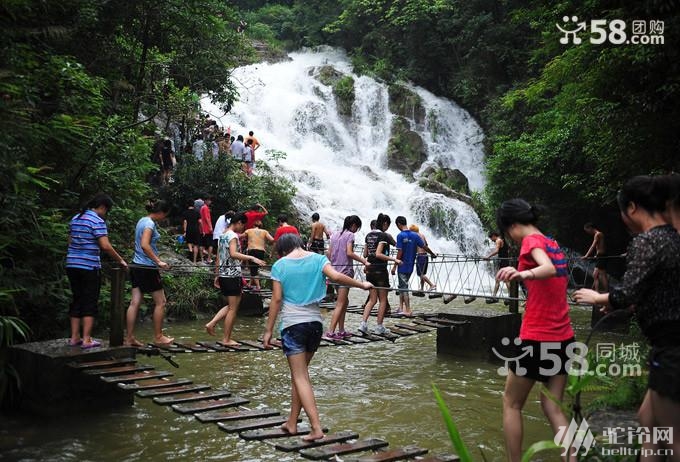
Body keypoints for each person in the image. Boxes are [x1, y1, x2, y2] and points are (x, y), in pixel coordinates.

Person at [574, 176, 680, 459]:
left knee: (673, 437)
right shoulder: (672, 238)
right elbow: (660, 290)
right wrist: (629, 306)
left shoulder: (647, 241)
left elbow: (629, 290)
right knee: (648, 420)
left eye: (622, 211)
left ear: (632, 208)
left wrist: (598, 298)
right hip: (669, 345)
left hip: (670, 349)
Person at [262, 234, 372, 441]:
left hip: (293, 326)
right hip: (315, 326)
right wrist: (361, 285)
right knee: (300, 376)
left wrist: (268, 331)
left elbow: (276, 299)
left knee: (300, 376)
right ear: (300, 244)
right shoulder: (318, 259)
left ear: (283, 249)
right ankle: (292, 422)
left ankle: (316, 428)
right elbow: (337, 278)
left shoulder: (280, 265)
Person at [494, 199, 575, 462]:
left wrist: (522, 274)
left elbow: (547, 269)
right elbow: (552, 271)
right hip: (563, 337)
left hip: (536, 337)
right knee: (553, 407)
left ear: (512, 225)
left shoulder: (531, 242)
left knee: (511, 403)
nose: (512, 240)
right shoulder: (552, 243)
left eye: (508, 234)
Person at [66, 194, 127, 349]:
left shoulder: (76, 218)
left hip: (72, 264)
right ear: (102, 207)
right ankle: (86, 339)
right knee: (89, 300)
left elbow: (70, 241)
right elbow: (105, 246)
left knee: (77, 299)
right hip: (89, 266)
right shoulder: (97, 221)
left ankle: (74, 337)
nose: (105, 214)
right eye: (106, 210)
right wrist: (120, 260)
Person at [205, 213, 266, 344]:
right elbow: (233, 254)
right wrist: (252, 258)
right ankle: (226, 339)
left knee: (231, 305)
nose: (242, 228)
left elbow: (218, 257)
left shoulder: (222, 235)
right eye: (243, 225)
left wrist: (217, 274)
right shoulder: (232, 236)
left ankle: (212, 323)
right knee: (233, 309)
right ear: (238, 222)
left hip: (224, 275)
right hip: (232, 275)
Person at [126, 200, 174, 346]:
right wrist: (158, 261)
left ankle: (129, 338)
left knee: (134, 302)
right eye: (165, 216)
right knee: (161, 302)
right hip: (147, 267)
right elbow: (145, 245)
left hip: (136, 265)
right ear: (161, 213)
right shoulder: (150, 224)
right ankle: (159, 336)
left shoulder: (142, 220)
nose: (164, 219)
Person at [326, 215, 370, 339]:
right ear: (354, 225)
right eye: (357, 227)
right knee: (340, 303)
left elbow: (329, 253)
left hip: (333, 272)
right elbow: (349, 252)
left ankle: (341, 330)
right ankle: (330, 331)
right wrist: (364, 261)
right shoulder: (350, 235)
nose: (356, 230)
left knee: (345, 301)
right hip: (344, 273)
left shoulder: (334, 235)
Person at [360, 213, 400, 334]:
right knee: (383, 300)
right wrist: (394, 259)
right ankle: (379, 326)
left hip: (370, 270)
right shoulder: (384, 235)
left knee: (372, 300)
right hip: (380, 270)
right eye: (388, 225)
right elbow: (379, 254)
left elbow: (365, 254)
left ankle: (363, 324)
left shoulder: (368, 235)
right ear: (385, 223)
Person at [391, 216, 436, 316]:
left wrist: (394, 266)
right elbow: (424, 246)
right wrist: (432, 253)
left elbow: (400, 252)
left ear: (398, 224)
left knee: (404, 287)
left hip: (402, 265)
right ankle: (400, 308)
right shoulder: (415, 235)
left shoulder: (400, 235)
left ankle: (408, 310)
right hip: (410, 265)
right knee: (402, 286)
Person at [244, 220, 274, 290]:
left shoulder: (249, 230)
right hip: (261, 251)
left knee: (253, 269)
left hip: (252, 250)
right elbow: (272, 240)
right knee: (254, 268)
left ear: (254, 225)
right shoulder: (264, 231)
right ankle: (249, 284)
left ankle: (258, 286)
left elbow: (240, 236)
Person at [581, 222, 608, 292]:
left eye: (587, 230)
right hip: (600, 256)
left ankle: (604, 292)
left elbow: (593, 246)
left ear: (590, 228)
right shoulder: (599, 234)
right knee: (596, 275)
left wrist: (586, 256)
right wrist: (597, 255)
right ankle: (596, 291)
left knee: (602, 275)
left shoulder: (598, 234)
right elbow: (600, 246)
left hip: (602, 256)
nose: (587, 232)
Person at [409, 224, 436, 294]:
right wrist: (432, 254)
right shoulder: (422, 235)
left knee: (420, 274)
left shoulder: (415, 236)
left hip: (420, 256)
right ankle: (421, 288)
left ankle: (432, 285)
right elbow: (426, 245)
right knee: (422, 273)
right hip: (425, 256)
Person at [486, 231, 510, 303]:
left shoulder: (498, 240)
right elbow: (508, 249)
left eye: (491, 238)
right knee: (498, 279)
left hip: (503, 262)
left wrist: (488, 256)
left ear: (494, 235)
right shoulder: (503, 240)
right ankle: (494, 297)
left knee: (506, 280)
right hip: (504, 261)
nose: (491, 240)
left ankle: (510, 297)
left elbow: (496, 251)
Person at [199, 196, 214, 264]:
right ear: (206, 201)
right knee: (210, 244)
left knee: (202, 244)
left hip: (202, 229)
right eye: (209, 200)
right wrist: (210, 227)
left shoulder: (202, 208)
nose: (210, 202)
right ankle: (209, 259)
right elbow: (206, 218)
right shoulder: (205, 208)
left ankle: (202, 259)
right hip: (207, 229)